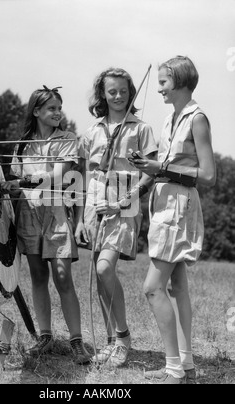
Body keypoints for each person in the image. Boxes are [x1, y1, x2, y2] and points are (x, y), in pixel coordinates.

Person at [129, 56, 216, 384]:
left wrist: (162, 169)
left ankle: (174, 369)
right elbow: (161, 167)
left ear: (179, 82)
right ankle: (186, 366)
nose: (160, 89)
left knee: (152, 288)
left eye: (164, 83)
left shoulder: (197, 119)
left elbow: (208, 174)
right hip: (163, 203)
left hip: (180, 204)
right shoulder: (168, 120)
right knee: (177, 286)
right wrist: (137, 188)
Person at [0, 86, 91, 365]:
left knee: (62, 277)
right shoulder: (22, 145)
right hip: (28, 214)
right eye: (51, 108)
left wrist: (18, 183)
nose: (58, 113)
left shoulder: (68, 139)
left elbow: (58, 176)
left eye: (59, 108)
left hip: (56, 213)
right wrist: (1, 189)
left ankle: (76, 341)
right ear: (36, 112)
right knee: (37, 275)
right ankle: (44, 337)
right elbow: (13, 185)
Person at [76, 67, 158, 367]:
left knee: (104, 267)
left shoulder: (141, 129)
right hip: (95, 204)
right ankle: (111, 342)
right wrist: (82, 218)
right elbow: (86, 174)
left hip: (125, 203)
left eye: (124, 91)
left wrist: (123, 202)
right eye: (112, 91)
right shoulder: (92, 131)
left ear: (131, 92)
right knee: (98, 275)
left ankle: (123, 337)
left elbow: (151, 175)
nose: (119, 96)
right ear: (103, 94)